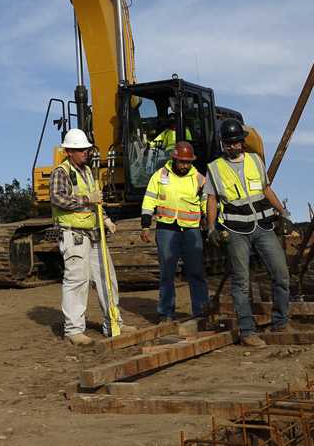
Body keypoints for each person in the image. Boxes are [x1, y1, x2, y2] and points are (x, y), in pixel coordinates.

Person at [204, 118, 290, 348]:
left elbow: (266, 189)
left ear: (242, 142)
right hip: (235, 230)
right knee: (241, 282)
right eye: (228, 144)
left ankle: (281, 321)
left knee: (281, 274)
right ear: (223, 144)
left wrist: (283, 212)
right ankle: (247, 331)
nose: (233, 147)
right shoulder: (214, 168)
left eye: (236, 143)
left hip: (262, 226)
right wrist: (211, 227)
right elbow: (211, 199)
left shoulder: (255, 160)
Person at [51, 128, 130, 345]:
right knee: (77, 282)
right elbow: (58, 198)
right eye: (80, 149)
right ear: (69, 151)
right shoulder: (62, 172)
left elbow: (96, 202)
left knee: (107, 278)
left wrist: (105, 219)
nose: (85, 152)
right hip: (74, 235)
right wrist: (87, 199)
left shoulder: (87, 172)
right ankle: (74, 330)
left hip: (94, 233)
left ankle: (114, 322)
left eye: (85, 148)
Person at [140, 140, 209, 321]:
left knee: (196, 272)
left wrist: (210, 221)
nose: (185, 165)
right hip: (166, 230)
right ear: (174, 159)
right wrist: (145, 225)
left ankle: (201, 311)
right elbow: (149, 200)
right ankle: (166, 312)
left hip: (191, 231)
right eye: (182, 161)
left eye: (188, 162)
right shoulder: (160, 175)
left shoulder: (199, 179)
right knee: (167, 273)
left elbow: (206, 203)